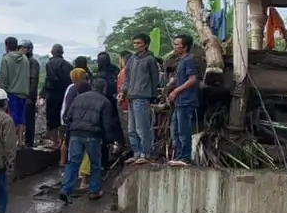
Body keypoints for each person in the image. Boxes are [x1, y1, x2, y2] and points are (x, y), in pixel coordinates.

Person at [61, 78, 122, 203]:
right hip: (92, 135)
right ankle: (94, 191)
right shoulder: (105, 102)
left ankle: (65, 189)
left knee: (73, 163)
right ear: (103, 89)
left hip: (75, 134)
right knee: (95, 164)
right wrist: (109, 140)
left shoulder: (79, 98)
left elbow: (67, 116)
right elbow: (107, 124)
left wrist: (72, 128)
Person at [123, 35, 162, 165]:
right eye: (134, 43)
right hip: (131, 96)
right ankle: (136, 153)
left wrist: (152, 95)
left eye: (138, 43)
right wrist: (123, 91)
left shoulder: (150, 60)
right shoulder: (132, 59)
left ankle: (145, 153)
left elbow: (155, 79)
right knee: (131, 129)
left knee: (142, 127)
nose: (136, 45)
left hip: (142, 96)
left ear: (145, 44)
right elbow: (127, 77)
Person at [167, 34, 200, 167]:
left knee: (183, 130)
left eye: (177, 44)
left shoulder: (188, 60)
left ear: (184, 47)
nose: (174, 47)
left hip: (186, 101)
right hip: (180, 101)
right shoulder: (181, 60)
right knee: (175, 129)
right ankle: (179, 155)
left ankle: (185, 157)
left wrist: (175, 91)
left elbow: (192, 79)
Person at [0, 36, 31, 145]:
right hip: (23, 92)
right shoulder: (25, 59)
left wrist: (3, 91)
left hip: (11, 93)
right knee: (21, 118)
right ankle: (20, 142)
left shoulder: (6, 59)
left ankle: (11, 142)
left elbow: (4, 78)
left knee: (12, 117)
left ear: (6, 46)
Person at [42, 44, 71, 151]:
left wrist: (43, 95)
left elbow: (49, 80)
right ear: (62, 53)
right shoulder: (68, 65)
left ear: (52, 52)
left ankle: (55, 142)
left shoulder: (49, 64)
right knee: (62, 118)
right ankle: (62, 141)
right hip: (64, 95)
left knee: (52, 120)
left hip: (52, 95)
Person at [19, 40, 40, 148]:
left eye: (24, 48)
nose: (21, 50)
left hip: (28, 97)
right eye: (20, 48)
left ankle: (29, 142)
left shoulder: (32, 62)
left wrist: (30, 96)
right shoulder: (21, 62)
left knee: (29, 121)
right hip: (20, 96)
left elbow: (33, 80)